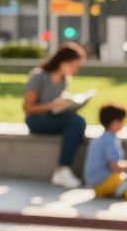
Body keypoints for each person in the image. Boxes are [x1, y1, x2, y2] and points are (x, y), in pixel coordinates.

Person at [23, 42, 88, 189]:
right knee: (76, 123)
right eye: (73, 66)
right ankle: (62, 169)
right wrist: (53, 105)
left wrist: (68, 104)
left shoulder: (64, 80)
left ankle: (63, 169)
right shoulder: (39, 77)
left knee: (78, 123)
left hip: (53, 118)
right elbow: (27, 108)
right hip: (36, 120)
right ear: (63, 62)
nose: (75, 70)